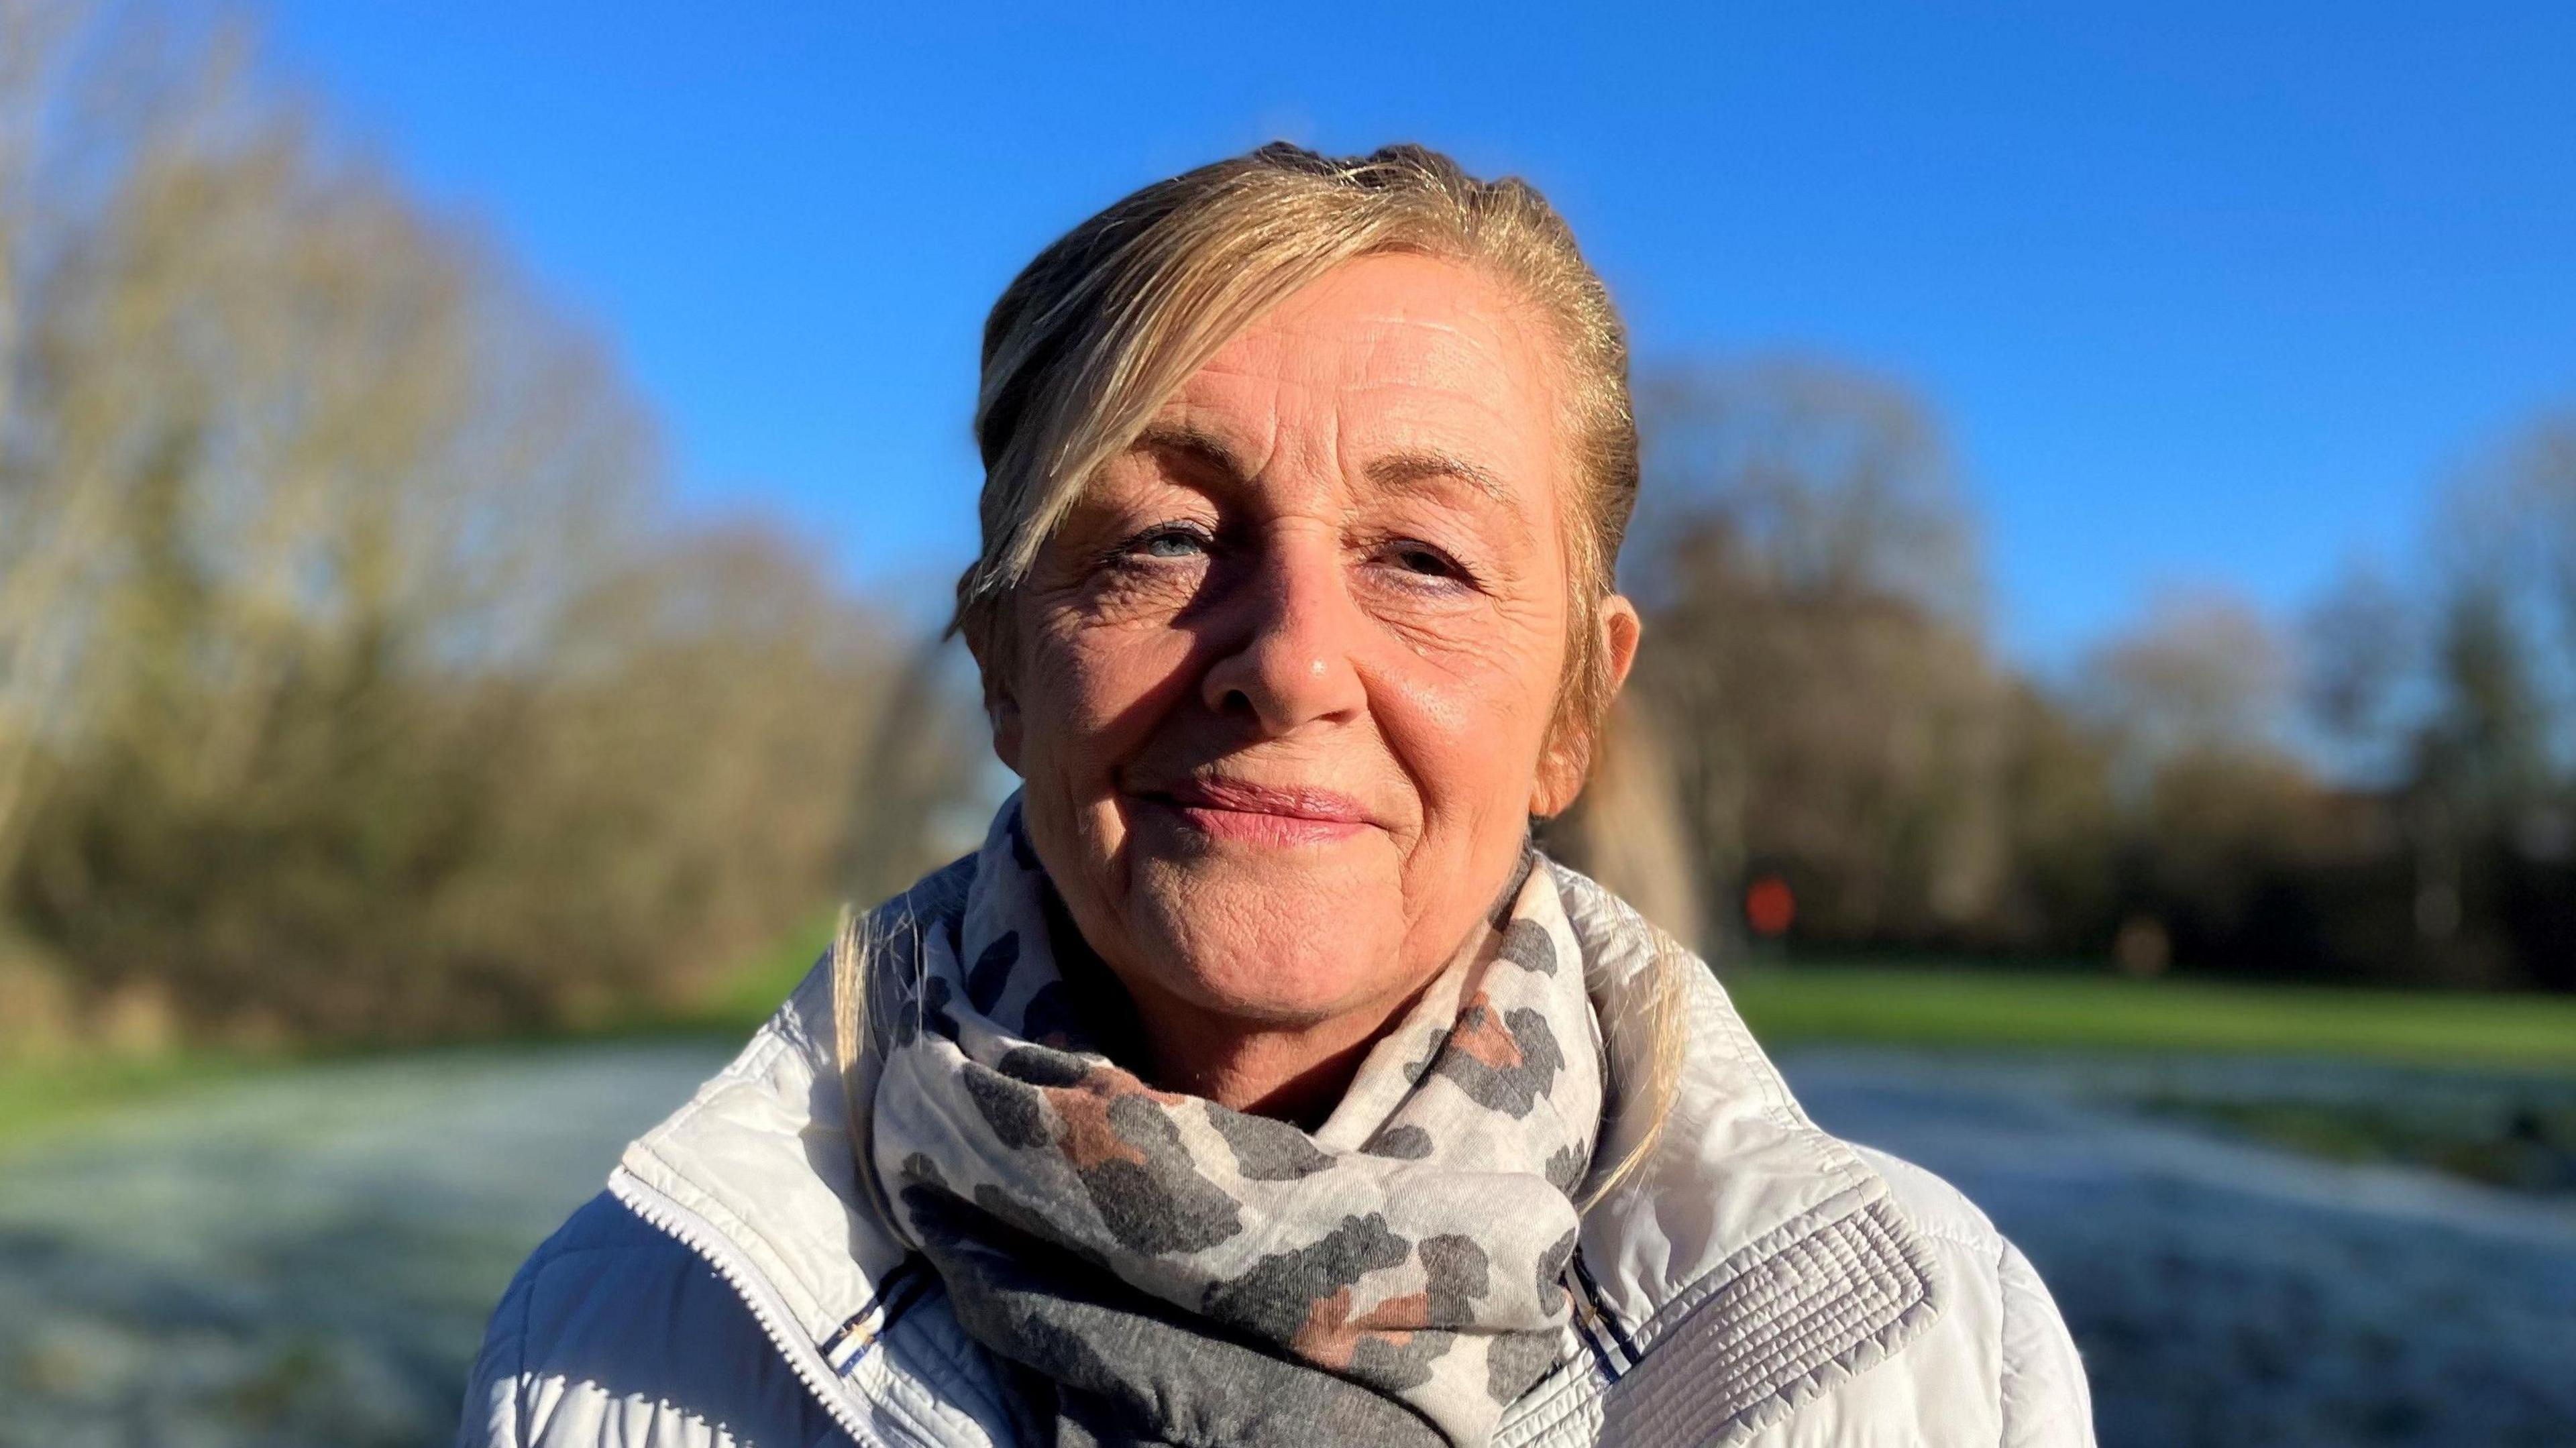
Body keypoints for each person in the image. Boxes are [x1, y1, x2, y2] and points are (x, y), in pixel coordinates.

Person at [456, 142, 2094, 1448]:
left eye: (1428, 559)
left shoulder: (1929, 1352)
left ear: (1573, 710)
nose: (1292, 661)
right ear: (1004, 670)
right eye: (1162, 537)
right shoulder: (615, 1339)